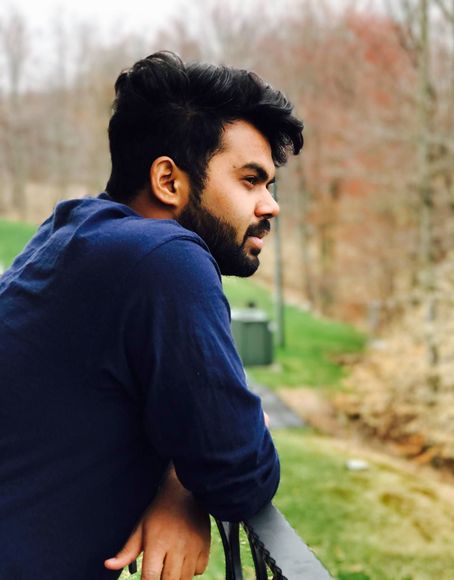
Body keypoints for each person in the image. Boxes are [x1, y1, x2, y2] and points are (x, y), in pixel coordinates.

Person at [0, 51, 304, 579]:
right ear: (168, 180)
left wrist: (178, 482)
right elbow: (241, 474)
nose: (269, 205)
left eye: (268, 186)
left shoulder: (72, 230)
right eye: (250, 180)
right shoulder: (166, 258)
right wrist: (196, 469)